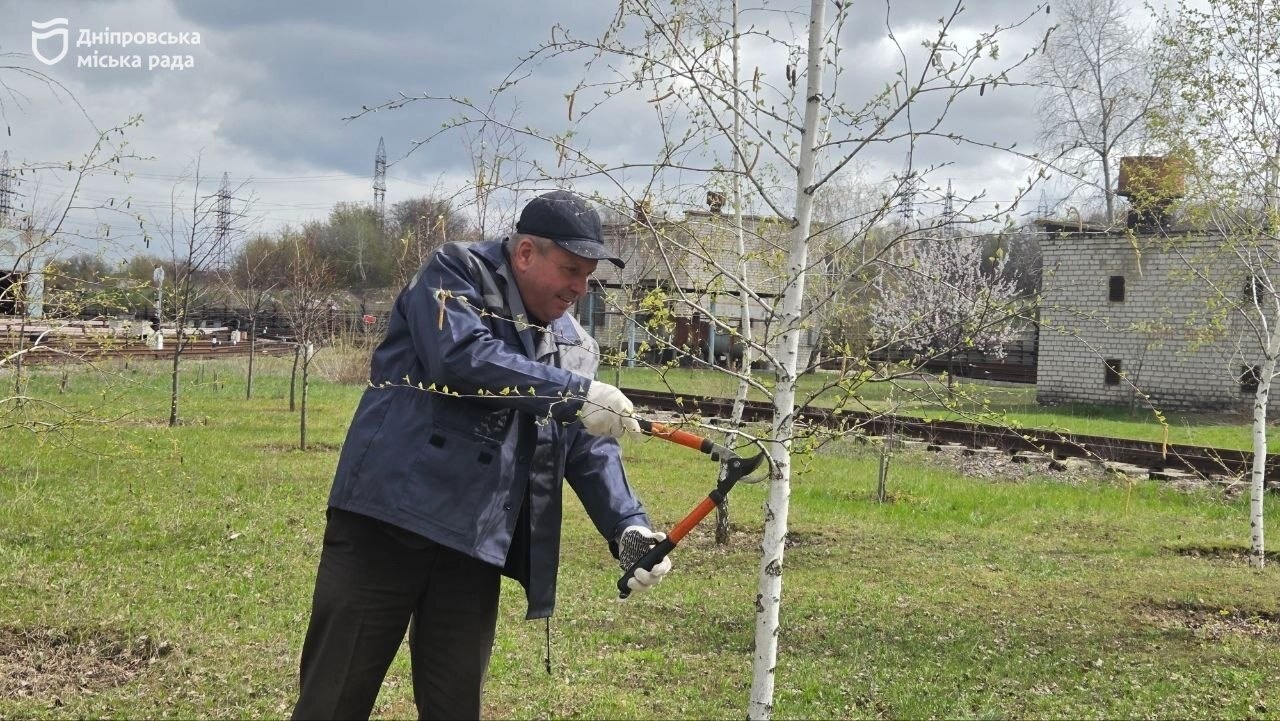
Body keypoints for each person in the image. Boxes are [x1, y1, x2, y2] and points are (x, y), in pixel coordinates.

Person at [291, 190, 673, 720]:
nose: (580, 289)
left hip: (472, 543)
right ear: (524, 254)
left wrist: (627, 526)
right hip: (386, 522)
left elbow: (586, 447)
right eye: (570, 270)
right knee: (334, 698)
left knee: (455, 707)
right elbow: (462, 358)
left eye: (588, 276)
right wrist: (570, 392)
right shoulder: (455, 274)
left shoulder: (575, 345)